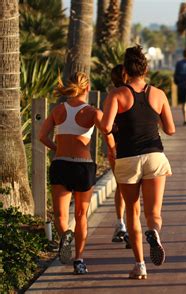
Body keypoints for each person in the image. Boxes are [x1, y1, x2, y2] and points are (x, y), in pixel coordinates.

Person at [101, 45, 175, 280]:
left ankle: (139, 265)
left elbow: (105, 126)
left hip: (127, 157)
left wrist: (119, 125)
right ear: (146, 68)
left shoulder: (117, 94)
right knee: (153, 212)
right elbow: (171, 129)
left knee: (132, 211)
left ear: (125, 69)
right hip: (154, 156)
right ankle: (153, 231)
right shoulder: (158, 94)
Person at [39, 72, 112, 274]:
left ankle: (66, 237)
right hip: (83, 166)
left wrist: (57, 147)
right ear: (87, 88)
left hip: (61, 164)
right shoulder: (93, 112)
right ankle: (79, 260)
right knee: (81, 215)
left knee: (61, 216)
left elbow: (41, 136)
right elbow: (109, 135)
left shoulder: (58, 110)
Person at [109, 64, 131, 248]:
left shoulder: (112, 96)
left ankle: (121, 223)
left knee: (120, 187)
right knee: (134, 189)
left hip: (116, 147)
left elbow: (106, 127)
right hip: (133, 148)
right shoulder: (132, 94)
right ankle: (131, 228)